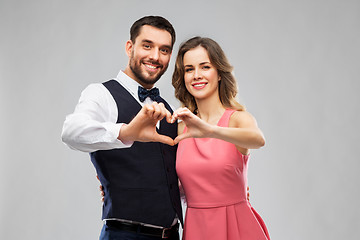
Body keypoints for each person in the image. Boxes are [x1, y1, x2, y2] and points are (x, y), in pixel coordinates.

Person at [61, 16, 183, 240]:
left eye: (164, 50)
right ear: (130, 47)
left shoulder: (169, 110)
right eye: (147, 45)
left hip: (172, 235)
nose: (155, 56)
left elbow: (171, 183)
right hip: (124, 235)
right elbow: (70, 131)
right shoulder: (101, 94)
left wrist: (222, 191)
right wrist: (126, 132)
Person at [171, 36, 271, 239]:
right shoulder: (179, 128)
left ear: (219, 73)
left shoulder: (238, 119)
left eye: (205, 67)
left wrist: (210, 131)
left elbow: (258, 140)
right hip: (197, 227)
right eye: (189, 69)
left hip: (238, 226)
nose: (196, 75)